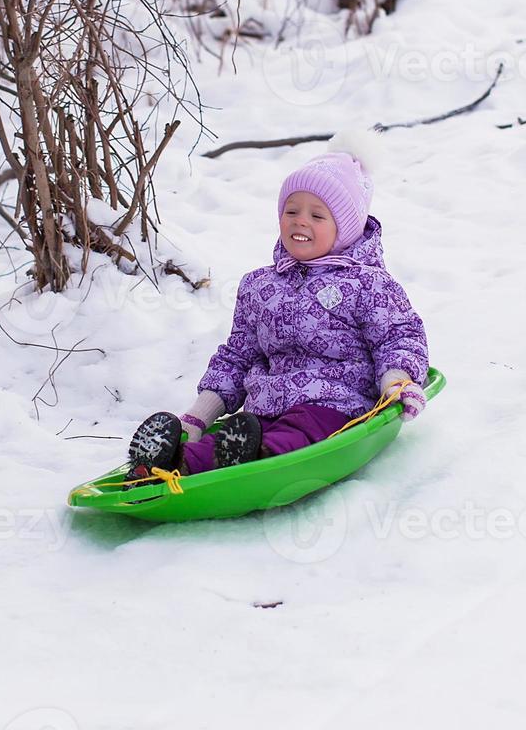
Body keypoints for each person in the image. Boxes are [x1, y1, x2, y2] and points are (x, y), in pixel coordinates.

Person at [126, 131, 430, 478]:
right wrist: (198, 416)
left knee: (297, 433)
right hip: (265, 406)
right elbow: (239, 355)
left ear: (344, 228)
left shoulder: (369, 284)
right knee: (231, 437)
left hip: (335, 404)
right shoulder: (260, 286)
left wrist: (398, 381)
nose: (300, 220)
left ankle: (255, 455)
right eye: (291, 210)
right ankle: (169, 461)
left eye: (318, 216)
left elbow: (398, 336)